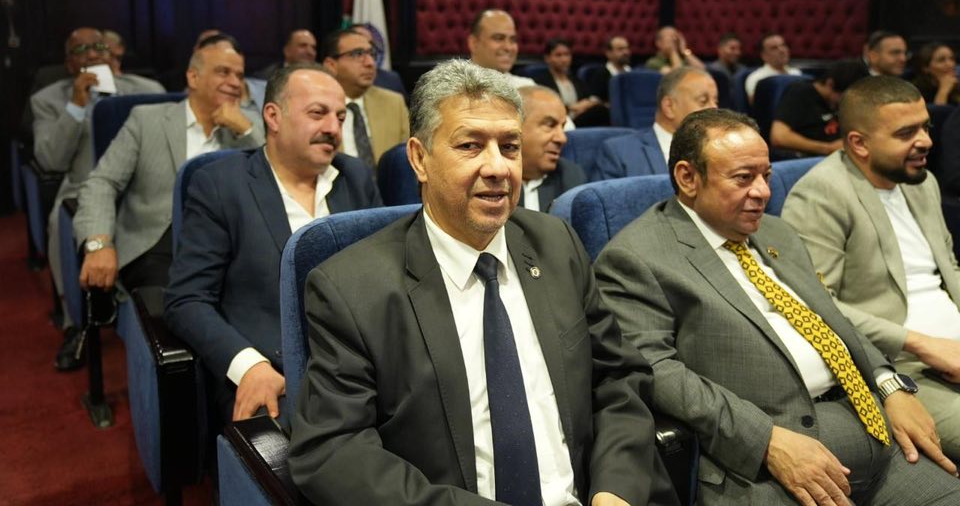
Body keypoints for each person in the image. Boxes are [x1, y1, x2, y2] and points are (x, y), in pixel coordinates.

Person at [288, 59, 679, 506]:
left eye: (509, 147)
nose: (498, 168)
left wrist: (615, 489)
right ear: (419, 158)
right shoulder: (352, 287)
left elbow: (619, 379)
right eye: (470, 146)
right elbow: (334, 451)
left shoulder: (556, 244)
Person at [595, 108, 960, 504]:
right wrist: (765, 440)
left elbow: (832, 319)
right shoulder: (637, 256)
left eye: (766, 176)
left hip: (875, 434)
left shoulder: (776, 231)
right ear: (688, 177)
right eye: (743, 178)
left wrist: (889, 385)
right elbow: (656, 369)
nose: (763, 192)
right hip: (768, 466)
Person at [164, 63, 381, 426]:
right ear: (273, 116)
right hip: (274, 372)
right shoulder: (220, 185)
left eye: (341, 117)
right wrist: (249, 366)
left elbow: (384, 277)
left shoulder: (354, 176)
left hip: (362, 364)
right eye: (318, 114)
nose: (333, 128)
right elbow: (186, 300)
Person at [782, 76, 960, 459]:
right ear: (859, 143)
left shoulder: (920, 181)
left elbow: (950, 268)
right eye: (906, 133)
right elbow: (817, 305)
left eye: (925, 127)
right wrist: (924, 344)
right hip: (904, 365)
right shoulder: (821, 194)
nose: (926, 141)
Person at [72, 41, 263, 325]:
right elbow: (102, 182)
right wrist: (98, 243)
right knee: (177, 317)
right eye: (223, 72)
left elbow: (275, 180)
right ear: (193, 77)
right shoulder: (146, 120)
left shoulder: (251, 126)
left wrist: (245, 129)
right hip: (158, 246)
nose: (235, 83)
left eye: (239, 75)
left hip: (231, 248)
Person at [30, 27, 165, 368]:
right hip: (82, 189)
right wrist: (76, 106)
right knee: (61, 220)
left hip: (143, 187)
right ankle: (75, 324)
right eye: (81, 50)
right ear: (68, 63)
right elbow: (50, 161)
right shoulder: (47, 100)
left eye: (100, 47)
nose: (92, 54)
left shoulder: (147, 90)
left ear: (113, 55)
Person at [595, 67, 718, 179]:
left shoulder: (720, 151)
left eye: (716, 101)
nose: (714, 108)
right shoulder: (620, 152)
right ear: (669, 107)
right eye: (703, 101)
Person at [321, 28, 409, 167]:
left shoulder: (393, 103)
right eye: (357, 54)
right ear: (331, 65)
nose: (370, 63)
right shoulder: (316, 109)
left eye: (372, 54)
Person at [769, 60, 864, 157]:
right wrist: (827, 148)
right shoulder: (799, 93)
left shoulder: (838, 101)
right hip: (809, 157)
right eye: (843, 97)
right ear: (830, 84)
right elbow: (779, 137)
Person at [517, 86, 586, 212]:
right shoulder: (489, 180)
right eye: (550, 125)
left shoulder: (571, 177)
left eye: (562, 127)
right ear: (515, 127)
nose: (562, 138)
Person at [531, 38, 608, 127]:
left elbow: (587, 98)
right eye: (558, 55)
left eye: (567, 54)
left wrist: (586, 105)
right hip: (559, 122)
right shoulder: (541, 82)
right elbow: (545, 107)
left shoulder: (575, 80)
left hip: (580, 119)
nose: (564, 59)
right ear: (547, 58)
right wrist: (572, 108)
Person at [467, 8, 534, 88]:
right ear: (474, 43)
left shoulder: (526, 87)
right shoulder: (455, 87)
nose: (508, 47)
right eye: (498, 38)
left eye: (513, 40)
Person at [744, 32, 802, 104]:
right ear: (764, 56)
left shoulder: (796, 73)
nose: (782, 50)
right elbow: (757, 107)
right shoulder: (756, 78)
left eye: (783, 45)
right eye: (774, 48)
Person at [585, 35, 632, 105]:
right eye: (620, 49)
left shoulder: (632, 73)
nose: (626, 52)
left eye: (627, 48)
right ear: (608, 53)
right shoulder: (600, 75)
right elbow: (594, 101)